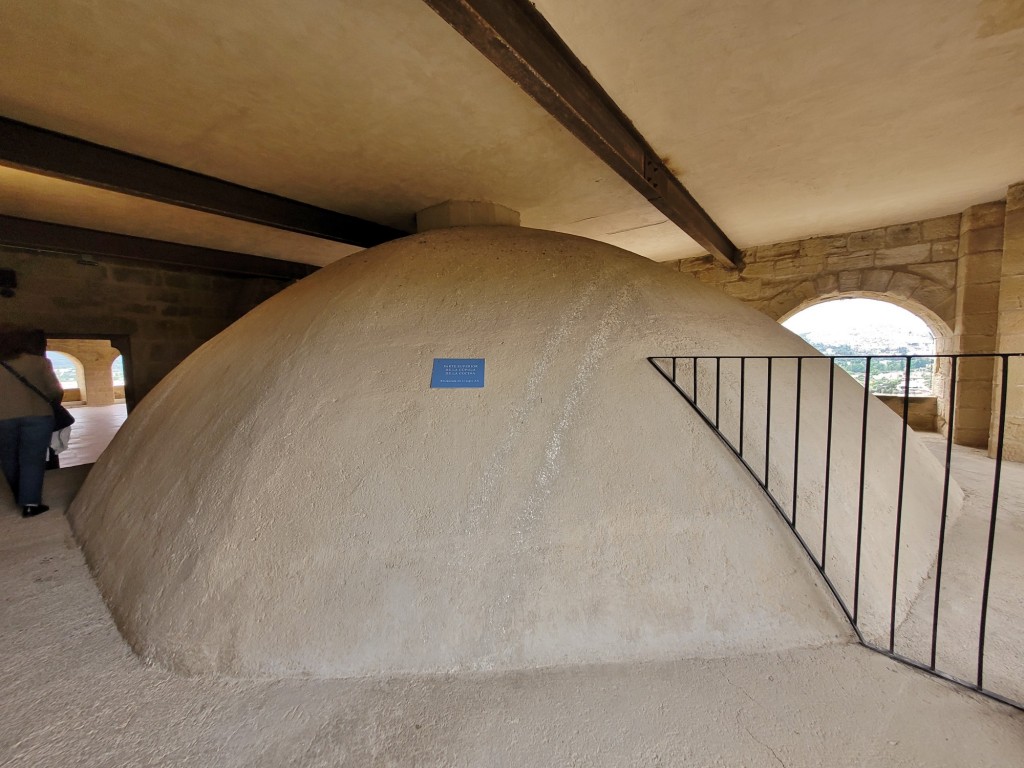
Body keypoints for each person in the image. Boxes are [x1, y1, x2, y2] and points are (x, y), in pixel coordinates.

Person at [0, 326, 64, 517]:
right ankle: (30, 503)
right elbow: (55, 390)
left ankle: (18, 494)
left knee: (8, 459)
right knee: (32, 460)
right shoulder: (39, 363)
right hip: (37, 416)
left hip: (2, 419)